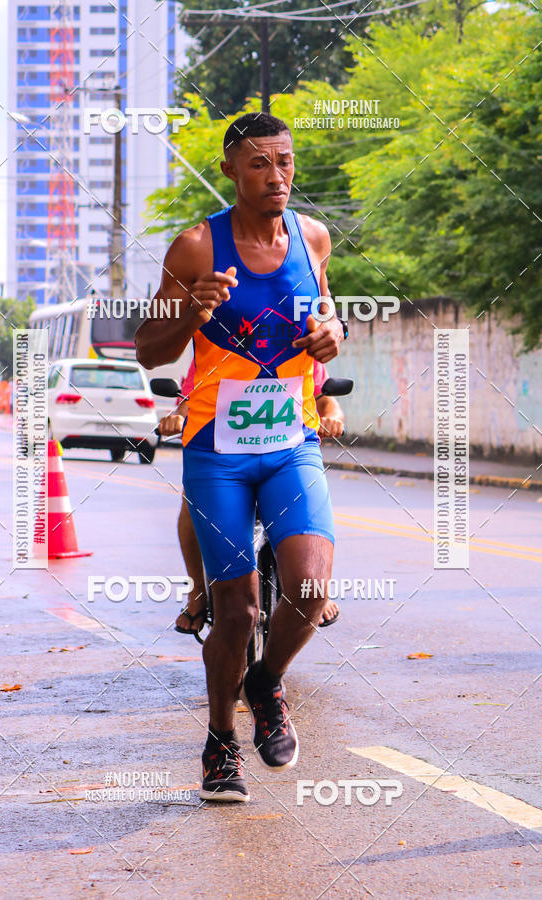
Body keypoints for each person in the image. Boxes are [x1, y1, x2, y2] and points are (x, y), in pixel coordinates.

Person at [136, 111, 346, 803]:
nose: (276, 175)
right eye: (259, 163)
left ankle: (265, 681)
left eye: (284, 161)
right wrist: (189, 314)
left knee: (310, 590)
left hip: (292, 443)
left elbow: (326, 315)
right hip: (217, 452)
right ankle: (221, 740)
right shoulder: (196, 247)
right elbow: (148, 351)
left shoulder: (313, 238)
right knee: (236, 612)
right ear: (230, 170)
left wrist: (332, 335)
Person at [158, 358, 345, 633]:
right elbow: (188, 403)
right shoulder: (213, 348)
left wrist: (334, 420)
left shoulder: (298, 345)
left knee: (312, 498)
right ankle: (197, 591)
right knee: (191, 500)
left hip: (285, 457)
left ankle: (313, 591)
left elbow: (327, 401)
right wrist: (177, 418)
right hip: (223, 458)